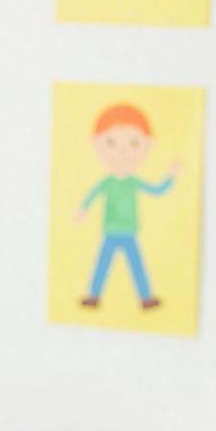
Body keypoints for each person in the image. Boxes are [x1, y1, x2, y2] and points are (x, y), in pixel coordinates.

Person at [77, 104, 180, 313]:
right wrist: (82, 209)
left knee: (137, 266)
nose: (122, 151)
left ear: (148, 145)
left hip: (129, 231)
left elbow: (157, 190)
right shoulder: (107, 182)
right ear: (96, 144)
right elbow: (92, 195)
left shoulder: (133, 182)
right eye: (111, 143)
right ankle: (94, 296)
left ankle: (146, 298)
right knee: (102, 265)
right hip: (110, 231)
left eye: (134, 143)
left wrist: (172, 176)